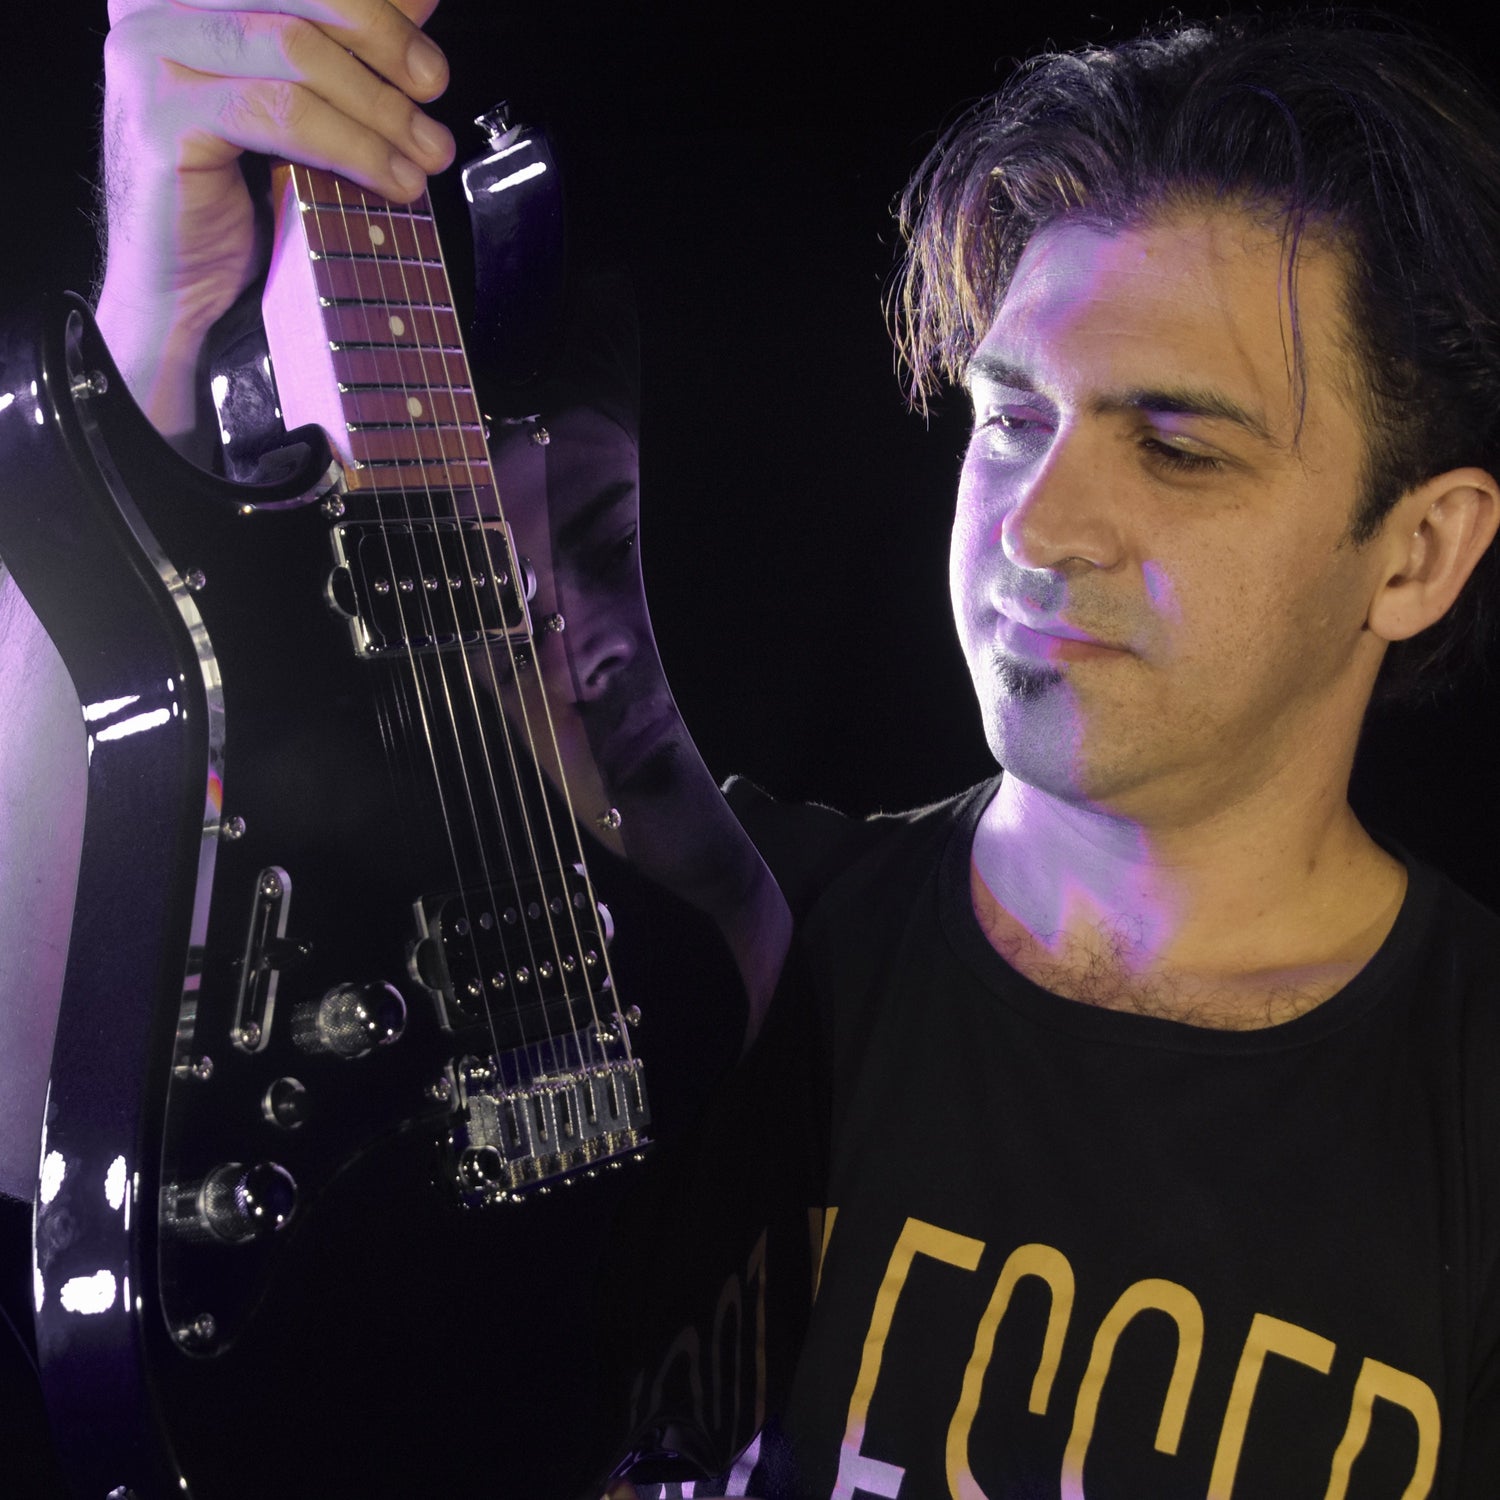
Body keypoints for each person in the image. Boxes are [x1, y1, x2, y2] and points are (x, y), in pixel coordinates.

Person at [15, 2, 1500, 1496]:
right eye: (1010, 420)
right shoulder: (674, 949)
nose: (1039, 527)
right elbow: (55, 1098)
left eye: (1177, 448)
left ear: (1420, 551)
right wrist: (152, 336)